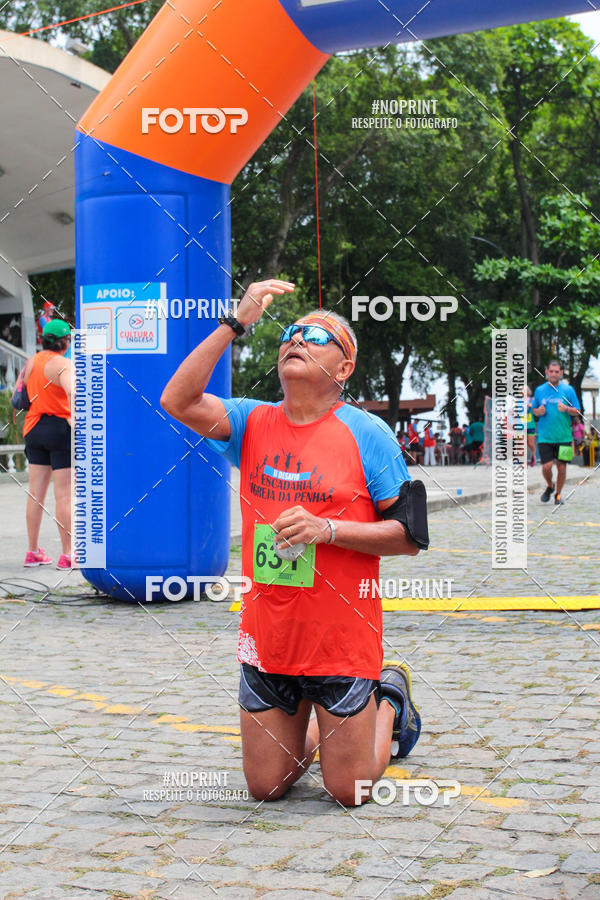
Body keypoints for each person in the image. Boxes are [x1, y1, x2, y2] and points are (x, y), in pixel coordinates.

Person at [161, 280, 424, 806]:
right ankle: (316, 735)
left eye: (317, 336)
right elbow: (177, 399)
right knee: (266, 787)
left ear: (344, 369)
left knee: (350, 791)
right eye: (290, 333)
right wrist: (237, 323)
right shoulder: (251, 420)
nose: (297, 339)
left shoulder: (367, 432)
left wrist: (328, 529)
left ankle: (390, 698)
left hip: (340, 641)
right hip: (270, 637)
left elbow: (408, 537)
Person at [21, 319, 73, 568]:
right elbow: (73, 391)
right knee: (63, 495)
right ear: (65, 342)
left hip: (33, 427)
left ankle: (32, 552)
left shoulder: (32, 361)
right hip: (59, 429)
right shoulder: (64, 364)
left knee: (35, 494)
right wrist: (76, 419)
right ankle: (68, 554)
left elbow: (22, 394)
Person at [532, 360, 581, 505]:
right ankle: (550, 485)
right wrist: (538, 411)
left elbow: (577, 410)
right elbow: (534, 410)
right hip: (545, 437)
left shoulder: (568, 390)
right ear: (547, 372)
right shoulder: (539, 390)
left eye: (556, 371)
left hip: (564, 436)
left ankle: (558, 494)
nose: (553, 374)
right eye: (551, 371)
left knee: (562, 467)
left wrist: (566, 409)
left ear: (561, 373)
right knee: (546, 467)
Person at [526, 386, 537, 466]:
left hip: (530, 424)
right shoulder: (517, 401)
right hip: (521, 424)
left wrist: (531, 405)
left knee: (530, 444)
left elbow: (535, 407)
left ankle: (533, 455)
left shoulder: (532, 399)